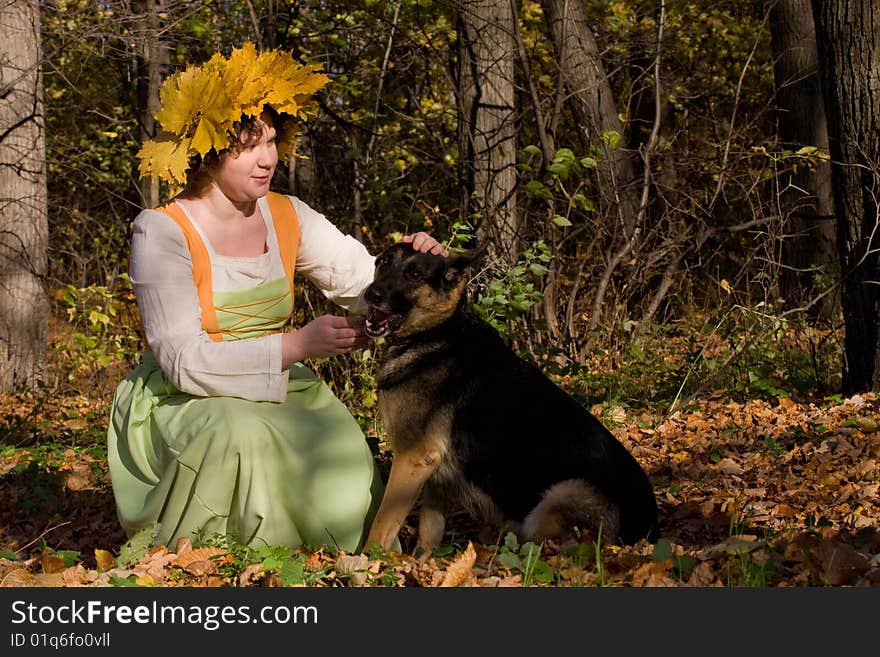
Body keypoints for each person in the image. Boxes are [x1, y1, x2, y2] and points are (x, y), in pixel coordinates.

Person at [107, 43, 447, 553]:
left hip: (282, 382)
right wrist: (295, 347)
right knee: (238, 435)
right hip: (187, 396)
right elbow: (181, 360)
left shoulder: (287, 213)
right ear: (208, 149)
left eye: (271, 141)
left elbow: (362, 283)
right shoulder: (161, 232)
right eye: (248, 145)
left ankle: (321, 558)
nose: (267, 159)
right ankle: (214, 560)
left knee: (341, 461)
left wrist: (419, 267)